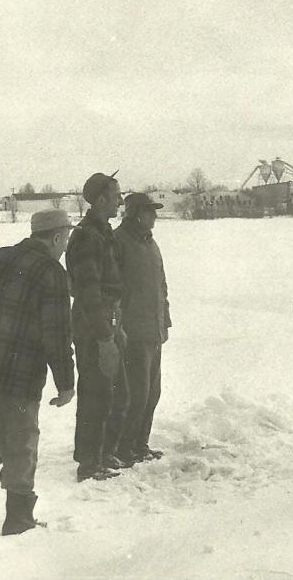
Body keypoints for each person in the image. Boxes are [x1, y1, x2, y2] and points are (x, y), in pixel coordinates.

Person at [0, 209, 76, 535]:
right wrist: (66, 383)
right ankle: (19, 519)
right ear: (54, 237)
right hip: (18, 377)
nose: (65, 245)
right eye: (65, 238)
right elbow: (57, 334)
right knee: (20, 442)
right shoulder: (52, 273)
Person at [67, 171, 129, 482]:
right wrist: (104, 337)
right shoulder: (87, 237)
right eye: (116, 195)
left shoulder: (104, 232)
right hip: (94, 323)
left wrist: (117, 328)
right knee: (96, 391)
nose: (120, 200)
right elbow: (89, 292)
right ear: (102, 199)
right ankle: (89, 463)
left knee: (116, 390)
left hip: (109, 320)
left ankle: (103, 452)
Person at [113, 192, 172, 464]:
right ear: (135, 213)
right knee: (135, 394)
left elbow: (161, 285)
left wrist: (165, 320)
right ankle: (123, 447)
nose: (155, 216)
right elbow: (112, 289)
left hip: (153, 330)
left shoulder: (151, 243)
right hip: (132, 332)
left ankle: (140, 444)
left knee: (152, 393)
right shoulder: (119, 242)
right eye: (150, 211)